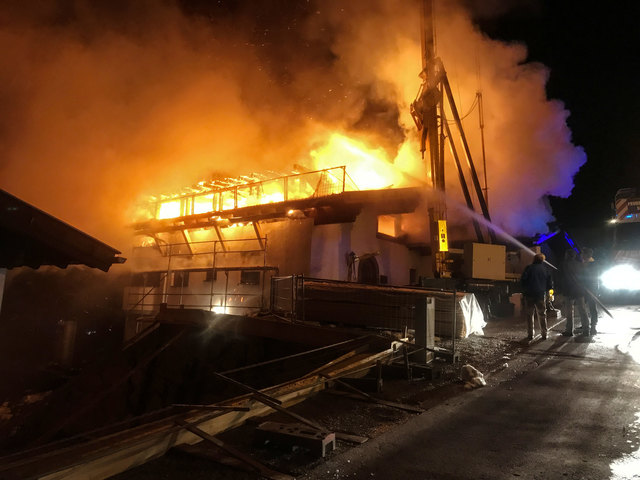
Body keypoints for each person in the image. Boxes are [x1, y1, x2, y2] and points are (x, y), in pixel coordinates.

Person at [521, 253, 553, 340]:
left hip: (529, 295)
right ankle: (544, 333)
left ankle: (530, 334)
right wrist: (546, 291)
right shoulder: (545, 269)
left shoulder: (529, 268)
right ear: (542, 260)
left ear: (534, 259)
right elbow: (549, 284)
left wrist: (524, 291)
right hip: (540, 295)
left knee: (529, 315)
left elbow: (523, 280)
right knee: (542, 314)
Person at [558, 249, 589, 336]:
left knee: (569, 312)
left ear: (567, 255)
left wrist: (560, 289)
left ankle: (569, 330)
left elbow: (560, 277)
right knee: (582, 310)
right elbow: (585, 277)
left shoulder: (563, 264)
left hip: (568, 290)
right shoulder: (580, 264)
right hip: (579, 290)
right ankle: (586, 329)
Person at [581, 247, 599, 335]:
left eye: (583, 254)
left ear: (587, 254)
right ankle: (585, 324)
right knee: (583, 308)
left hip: (591, 288)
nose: (581, 255)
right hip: (584, 288)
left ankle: (593, 326)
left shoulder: (593, 264)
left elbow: (593, 277)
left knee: (592, 307)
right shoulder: (583, 263)